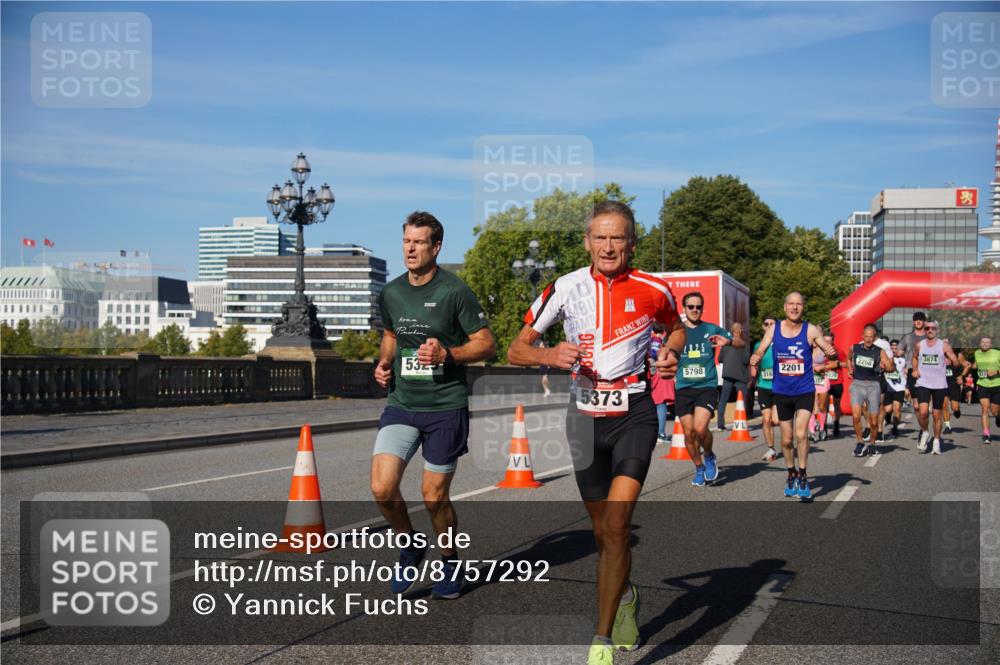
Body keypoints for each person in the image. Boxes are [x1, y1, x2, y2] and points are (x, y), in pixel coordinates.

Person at [507, 200, 685, 664]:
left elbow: (677, 329)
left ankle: (601, 642)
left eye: (618, 237)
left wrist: (670, 350)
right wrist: (547, 356)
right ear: (587, 242)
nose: (608, 246)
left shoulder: (653, 288)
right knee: (602, 533)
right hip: (584, 418)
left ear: (632, 242)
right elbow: (515, 349)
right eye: (600, 237)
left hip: (634, 415)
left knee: (618, 523)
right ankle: (625, 596)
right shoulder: (564, 288)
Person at [371, 211, 496, 600]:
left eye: (419, 241)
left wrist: (448, 353)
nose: (410, 248)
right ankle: (410, 544)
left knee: (433, 496)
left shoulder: (454, 291)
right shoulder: (391, 292)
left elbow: (487, 343)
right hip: (403, 401)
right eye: (406, 240)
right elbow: (391, 334)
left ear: (436, 246)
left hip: (445, 405)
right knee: (381, 486)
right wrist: (384, 362)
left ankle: (449, 559)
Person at [749, 292, 837, 500]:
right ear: (785, 307)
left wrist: (830, 351)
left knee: (801, 434)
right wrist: (755, 356)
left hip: (804, 390)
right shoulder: (774, 329)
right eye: (791, 304)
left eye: (798, 304)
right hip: (781, 390)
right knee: (787, 440)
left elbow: (826, 350)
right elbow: (761, 349)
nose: (795, 307)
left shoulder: (811, 329)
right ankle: (791, 473)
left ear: (803, 307)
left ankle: (804, 475)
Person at [675, 292, 741, 486]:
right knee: (688, 434)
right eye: (691, 307)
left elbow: (740, 343)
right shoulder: (677, 332)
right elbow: (666, 352)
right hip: (683, 387)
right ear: (684, 308)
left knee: (700, 428)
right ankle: (699, 467)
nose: (695, 310)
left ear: (702, 309)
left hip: (706, 386)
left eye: (698, 307)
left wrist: (728, 342)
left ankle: (710, 455)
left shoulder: (711, 328)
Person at [912, 321, 960, 455]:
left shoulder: (944, 346)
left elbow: (955, 362)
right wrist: (915, 370)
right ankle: (926, 432)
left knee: (936, 414)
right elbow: (915, 358)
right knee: (922, 412)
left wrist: (954, 361)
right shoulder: (919, 345)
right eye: (927, 328)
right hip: (923, 383)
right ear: (924, 330)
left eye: (933, 328)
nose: (930, 330)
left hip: (939, 384)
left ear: (937, 330)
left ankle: (937, 441)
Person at [848, 324, 893, 457]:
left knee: (874, 421)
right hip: (857, 384)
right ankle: (860, 442)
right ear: (862, 336)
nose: (868, 340)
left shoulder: (880, 351)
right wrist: (850, 369)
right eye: (866, 337)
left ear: (874, 338)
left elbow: (891, 368)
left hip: (873, 385)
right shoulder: (855, 348)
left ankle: (872, 444)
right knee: (856, 415)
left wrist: (885, 366)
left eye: (871, 337)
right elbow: (848, 358)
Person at [717, 321, 750, 431]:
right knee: (742, 400)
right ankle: (742, 422)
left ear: (732, 331)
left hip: (727, 374)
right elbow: (746, 360)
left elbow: (720, 359)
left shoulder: (726, 344)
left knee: (723, 399)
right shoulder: (743, 344)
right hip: (740, 375)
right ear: (740, 331)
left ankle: (720, 424)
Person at [754, 318, 779, 461]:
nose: (769, 326)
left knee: (776, 420)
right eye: (766, 324)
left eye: (772, 324)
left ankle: (787, 440)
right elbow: (756, 363)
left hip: (779, 387)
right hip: (763, 386)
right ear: (763, 327)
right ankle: (771, 448)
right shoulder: (758, 345)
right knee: (766, 419)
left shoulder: (781, 344)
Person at [970, 336, 1000, 444]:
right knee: (985, 409)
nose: (985, 343)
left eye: (987, 342)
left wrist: (996, 372)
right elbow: (977, 365)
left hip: (997, 385)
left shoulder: (997, 353)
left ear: (991, 345)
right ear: (979, 344)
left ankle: (997, 416)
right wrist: (972, 366)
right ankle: (986, 434)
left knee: (994, 410)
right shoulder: (977, 353)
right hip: (983, 384)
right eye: (983, 342)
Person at [649, 323, 675, 444]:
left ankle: (654, 432)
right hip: (661, 373)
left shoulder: (649, 340)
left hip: (650, 374)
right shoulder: (663, 341)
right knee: (661, 404)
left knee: (653, 403)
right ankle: (660, 432)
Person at [898, 311, 927, 407]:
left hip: (928, 370)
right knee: (916, 405)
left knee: (924, 402)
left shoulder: (929, 337)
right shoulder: (907, 337)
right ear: (913, 322)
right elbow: (899, 351)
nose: (918, 321)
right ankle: (922, 420)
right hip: (912, 370)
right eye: (916, 320)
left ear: (924, 322)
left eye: (920, 320)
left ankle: (925, 416)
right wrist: (904, 365)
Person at [940, 337, 969, 433]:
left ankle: (957, 410)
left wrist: (962, 376)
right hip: (941, 383)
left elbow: (967, 365)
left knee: (954, 407)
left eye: (946, 343)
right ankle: (947, 426)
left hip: (953, 383)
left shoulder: (958, 355)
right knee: (943, 405)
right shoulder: (937, 354)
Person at [883, 339, 908, 438]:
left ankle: (895, 427)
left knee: (897, 408)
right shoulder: (884, 359)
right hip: (888, 387)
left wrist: (907, 386)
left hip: (899, 387)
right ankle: (888, 417)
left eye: (895, 348)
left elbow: (908, 370)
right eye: (892, 348)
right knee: (888, 409)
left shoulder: (903, 360)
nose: (894, 350)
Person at [824, 333, 846, 438]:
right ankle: (823, 427)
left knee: (837, 405)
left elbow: (846, 363)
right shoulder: (819, 351)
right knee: (824, 405)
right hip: (824, 382)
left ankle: (836, 424)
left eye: (829, 341)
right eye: (825, 341)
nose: (827, 344)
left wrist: (837, 363)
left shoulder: (838, 351)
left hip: (837, 382)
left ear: (833, 341)